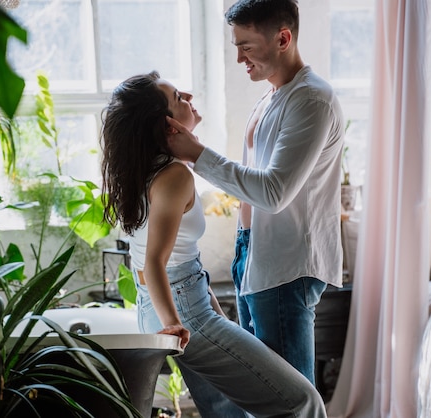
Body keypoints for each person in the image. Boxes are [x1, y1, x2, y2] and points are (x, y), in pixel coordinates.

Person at [99, 71, 327, 418]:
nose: (188, 96)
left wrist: (199, 315)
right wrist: (175, 324)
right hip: (181, 312)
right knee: (302, 401)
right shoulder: (174, 176)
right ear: (168, 126)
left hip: (160, 305)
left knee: (227, 414)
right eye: (178, 97)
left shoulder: (143, 172)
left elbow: (159, 262)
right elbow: (156, 262)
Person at [166, 0, 345, 386]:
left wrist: (196, 154)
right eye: (235, 46)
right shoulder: (273, 96)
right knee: (263, 393)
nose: (238, 58)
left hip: (286, 263)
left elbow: (273, 192)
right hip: (255, 253)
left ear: (283, 38)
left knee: (286, 399)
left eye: (246, 46)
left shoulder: (311, 100)